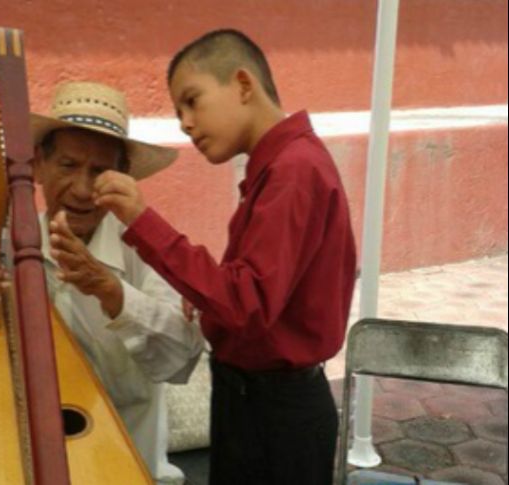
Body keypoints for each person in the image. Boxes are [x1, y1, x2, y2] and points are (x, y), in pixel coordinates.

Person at [0, 81, 205, 485]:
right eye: (67, 165)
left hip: (124, 468)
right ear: (39, 167)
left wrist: (111, 292)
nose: (82, 189)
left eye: (99, 171)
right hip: (16, 463)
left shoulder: (144, 251)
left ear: (121, 178)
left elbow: (181, 360)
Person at [93, 29, 357, 485]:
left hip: (276, 416)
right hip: (253, 401)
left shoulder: (293, 171)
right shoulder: (278, 168)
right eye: (179, 112)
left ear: (243, 84)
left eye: (192, 101)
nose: (185, 123)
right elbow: (255, 290)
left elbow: (245, 303)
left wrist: (141, 219)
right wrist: (210, 295)